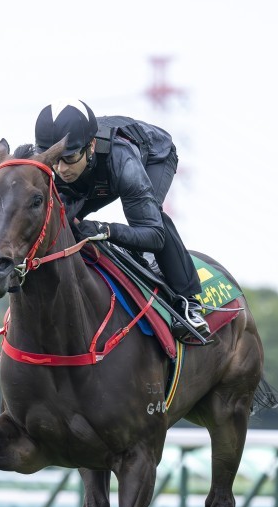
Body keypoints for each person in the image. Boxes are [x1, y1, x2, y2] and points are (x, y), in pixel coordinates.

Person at [33, 99, 210, 339]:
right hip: (92, 172)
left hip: (153, 155)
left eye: (70, 158)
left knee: (152, 218)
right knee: (64, 221)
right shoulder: (51, 162)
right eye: (55, 160)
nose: (61, 169)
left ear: (91, 146)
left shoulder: (123, 162)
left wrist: (106, 230)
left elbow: (153, 235)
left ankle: (188, 303)